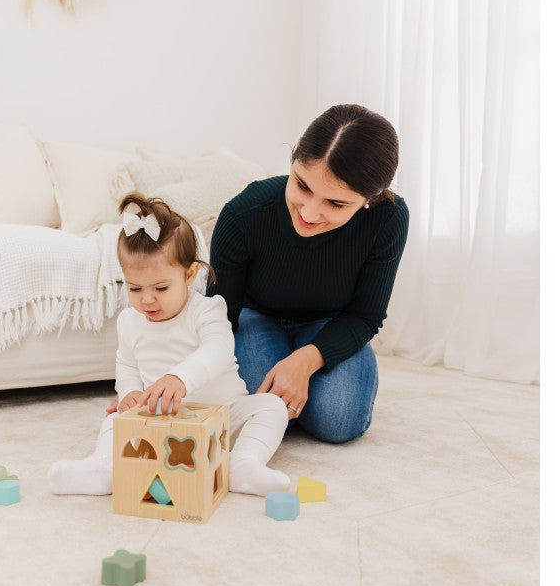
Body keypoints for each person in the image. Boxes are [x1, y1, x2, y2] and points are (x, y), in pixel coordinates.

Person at [47, 193, 291, 497]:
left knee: (271, 406)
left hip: (224, 415)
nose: (147, 299)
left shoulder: (207, 309)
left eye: (161, 288)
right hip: (162, 421)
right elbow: (127, 364)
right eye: (135, 288)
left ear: (189, 274)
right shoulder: (129, 321)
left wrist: (180, 378)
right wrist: (130, 393)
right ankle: (104, 470)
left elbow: (219, 350)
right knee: (115, 419)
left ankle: (242, 465)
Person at [206, 104, 409, 444]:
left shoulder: (387, 219)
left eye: (336, 204)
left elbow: (365, 315)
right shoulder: (244, 213)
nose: (310, 213)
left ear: (368, 201)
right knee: (258, 407)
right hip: (257, 317)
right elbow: (218, 316)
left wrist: (306, 361)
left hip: (333, 320)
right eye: (302, 186)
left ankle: (305, 392)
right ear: (293, 162)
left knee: (340, 421)